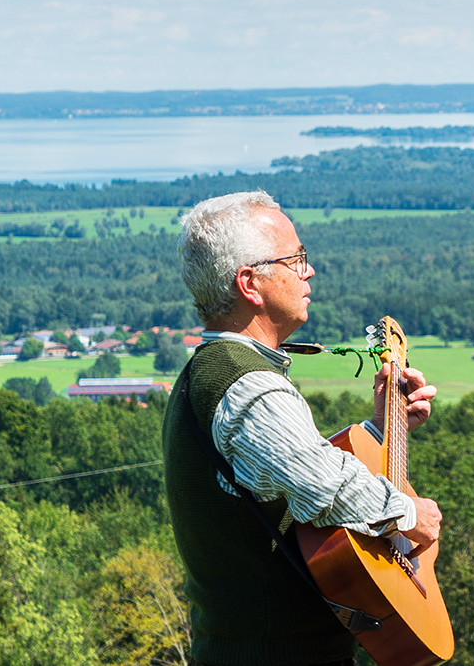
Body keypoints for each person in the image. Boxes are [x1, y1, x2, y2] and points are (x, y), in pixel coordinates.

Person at [163, 190, 443, 666]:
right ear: (250, 284)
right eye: (295, 259)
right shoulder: (248, 386)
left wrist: (384, 428)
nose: (309, 271)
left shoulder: (216, 371)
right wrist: (408, 514)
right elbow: (324, 485)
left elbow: (291, 471)